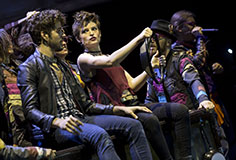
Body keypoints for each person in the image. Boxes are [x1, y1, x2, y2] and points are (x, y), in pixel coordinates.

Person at [17, 9, 153, 160]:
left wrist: (119, 109)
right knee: (99, 135)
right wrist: (56, 121)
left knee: (133, 125)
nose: (63, 35)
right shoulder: (29, 67)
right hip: (57, 129)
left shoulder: (62, 65)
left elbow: (86, 105)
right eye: (58, 31)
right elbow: (29, 110)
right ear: (44, 35)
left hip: (80, 119)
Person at [72, 10, 190, 160]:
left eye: (94, 29)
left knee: (179, 111)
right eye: (85, 31)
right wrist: (139, 38)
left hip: (133, 104)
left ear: (100, 33)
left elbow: (132, 85)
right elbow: (110, 62)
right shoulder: (84, 58)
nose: (91, 33)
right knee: (149, 119)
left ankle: (185, 157)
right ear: (78, 39)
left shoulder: (109, 56)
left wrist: (150, 69)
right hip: (116, 111)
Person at [142, 19, 217, 159]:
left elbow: (194, 80)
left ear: (169, 41)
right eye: (150, 37)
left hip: (191, 125)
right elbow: (149, 99)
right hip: (170, 130)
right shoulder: (151, 67)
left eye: (156, 37)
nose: (151, 41)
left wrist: (203, 99)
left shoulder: (179, 59)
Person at [170, 10, 231, 155]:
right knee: (217, 143)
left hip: (213, 97)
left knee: (228, 140)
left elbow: (205, 64)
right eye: (191, 24)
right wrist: (200, 39)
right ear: (179, 28)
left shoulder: (194, 45)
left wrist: (216, 67)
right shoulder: (176, 50)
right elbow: (197, 62)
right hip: (198, 102)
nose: (196, 28)